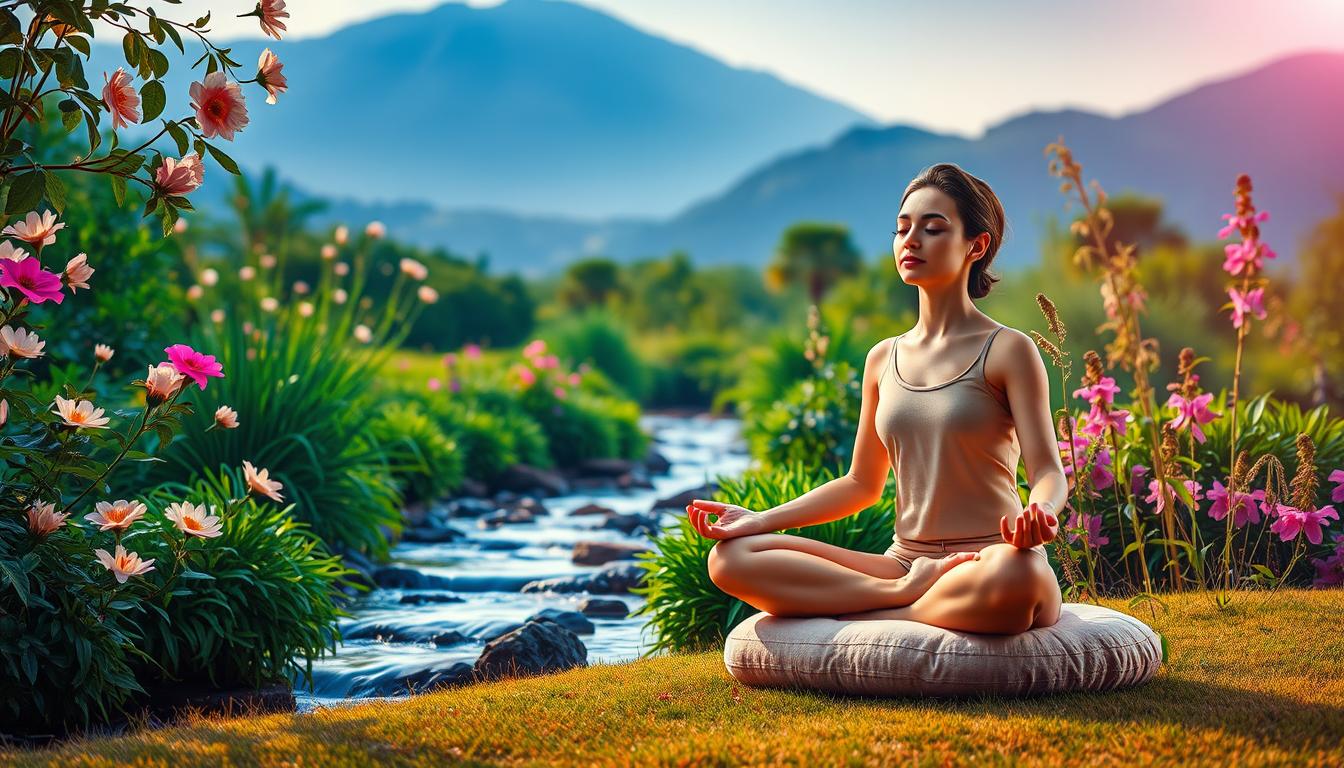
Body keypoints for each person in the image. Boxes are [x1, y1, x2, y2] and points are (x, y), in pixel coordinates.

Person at [686, 162, 1065, 635]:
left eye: (933, 229)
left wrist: (1042, 512)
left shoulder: (1008, 350)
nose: (911, 241)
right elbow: (861, 484)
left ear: (977, 245)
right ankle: (896, 599)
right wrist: (760, 519)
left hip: (990, 558)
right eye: (902, 229)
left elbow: (1048, 471)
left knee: (1022, 577)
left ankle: (873, 611)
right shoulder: (882, 358)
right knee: (731, 558)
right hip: (904, 564)